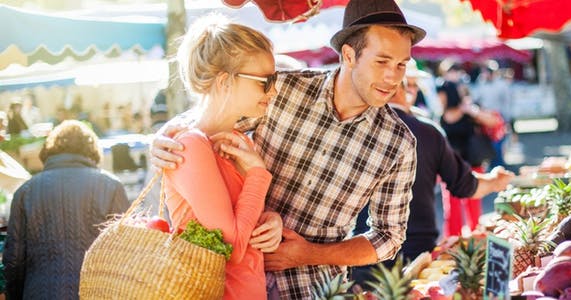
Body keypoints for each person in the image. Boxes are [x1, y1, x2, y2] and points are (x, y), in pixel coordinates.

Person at [151, 0, 425, 298]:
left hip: (314, 289)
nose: (393, 78)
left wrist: (309, 254)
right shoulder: (281, 89)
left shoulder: (398, 144)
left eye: (401, 65)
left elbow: (388, 238)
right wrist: (165, 136)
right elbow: (213, 117)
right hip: (230, 280)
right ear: (349, 55)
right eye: (382, 62)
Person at [161, 15, 283, 299]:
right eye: (265, 81)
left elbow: (240, 219)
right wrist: (258, 175)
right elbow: (233, 247)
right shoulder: (190, 147)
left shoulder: (237, 141)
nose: (273, 90)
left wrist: (271, 221)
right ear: (225, 81)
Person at [352, 80, 513, 283]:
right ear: (403, 91)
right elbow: (466, 186)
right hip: (417, 258)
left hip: (363, 257)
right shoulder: (428, 132)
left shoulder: (353, 132)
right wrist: (496, 181)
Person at [3, 120, 130, 299]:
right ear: (92, 151)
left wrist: (14, 295)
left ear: (50, 151)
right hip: (96, 293)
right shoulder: (111, 187)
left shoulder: (26, 191)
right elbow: (126, 252)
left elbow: (14, 259)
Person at [438, 78, 498, 236]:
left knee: (473, 207)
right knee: (451, 211)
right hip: (450, 168)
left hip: (473, 165)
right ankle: (452, 243)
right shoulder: (440, 115)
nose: (439, 98)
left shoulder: (467, 111)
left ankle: (477, 239)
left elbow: (494, 122)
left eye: (441, 94)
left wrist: (472, 110)